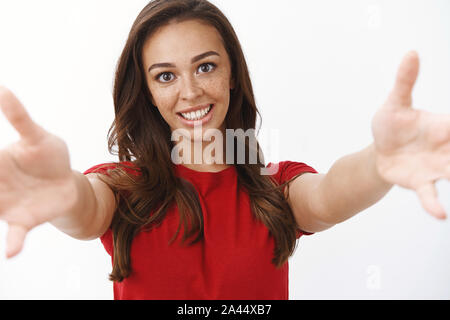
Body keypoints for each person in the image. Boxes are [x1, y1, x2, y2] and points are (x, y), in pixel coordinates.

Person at [0, 0, 448, 300]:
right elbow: (83, 208)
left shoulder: (277, 188)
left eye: (206, 66)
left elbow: (329, 194)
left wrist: (379, 162)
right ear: (149, 93)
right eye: (166, 76)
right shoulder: (121, 190)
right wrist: (60, 190)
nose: (191, 91)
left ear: (232, 73)